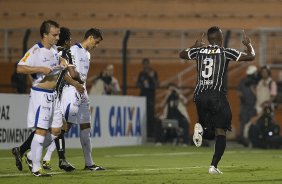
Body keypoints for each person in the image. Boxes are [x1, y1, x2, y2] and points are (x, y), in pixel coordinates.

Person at [179, 26, 255, 174]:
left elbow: (181, 54)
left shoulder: (199, 51)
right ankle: (213, 166)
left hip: (199, 95)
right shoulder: (225, 51)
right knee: (221, 130)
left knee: (210, 130)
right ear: (220, 38)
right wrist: (248, 45)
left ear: (208, 39)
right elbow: (251, 56)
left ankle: (200, 128)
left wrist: (193, 46)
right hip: (216, 95)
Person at [11, 27, 84, 173]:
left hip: (55, 95)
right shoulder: (47, 51)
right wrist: (74, 82)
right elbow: (21, 68)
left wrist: (70, 68)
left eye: (57, 35)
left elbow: (68, 72)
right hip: (45, 94)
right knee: (45, 129)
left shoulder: (58, 53)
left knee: (57, 129)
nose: (57, 38)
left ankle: (24, 151)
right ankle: (38, 161)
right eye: (55, 35)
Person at [60, 28, 105, 171]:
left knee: (86, 127)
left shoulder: (88, 54)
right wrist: (74, 84)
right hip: (72, 91)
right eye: (96, 42)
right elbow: (66, 70)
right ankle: (32, 153)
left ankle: (89, 163)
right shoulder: (73, 50)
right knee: (64, 127)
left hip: (83, 93)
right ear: (90, 37)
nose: (96, 46)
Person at [136, 58, 159, 138]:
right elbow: (137, 84)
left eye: (147, 64)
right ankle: (142, 132)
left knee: (150, 115)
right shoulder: (141, 74)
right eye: (144, 64)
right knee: (142, 115)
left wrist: (152, 77)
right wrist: (140, 84)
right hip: (142, 96)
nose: (145, 66)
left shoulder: (153, 73)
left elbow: (157, 85)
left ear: (149, 64)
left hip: (150, 97)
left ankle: (150, 134)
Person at [237, 65, 259, 144]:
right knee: (244, 122)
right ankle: (243, 138)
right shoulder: (243, 81)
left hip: (255, 105)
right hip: (245, 105)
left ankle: (252, 138)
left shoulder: (256, 82)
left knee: (252, 122)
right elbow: (239, 92)